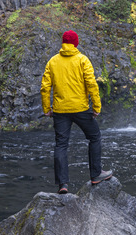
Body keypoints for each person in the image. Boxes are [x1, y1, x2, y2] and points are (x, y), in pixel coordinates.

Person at [41, 30, 112, 194]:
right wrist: (96, 107)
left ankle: (63, 184)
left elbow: (45, 88)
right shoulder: (82, 60)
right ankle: (96, 174)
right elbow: (92, 85)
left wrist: (47, 109)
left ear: (63, 43)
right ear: (76, 43)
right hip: (80, 108)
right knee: (94, 137)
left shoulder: (52, 61)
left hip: (60, 110)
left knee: (61, 145)